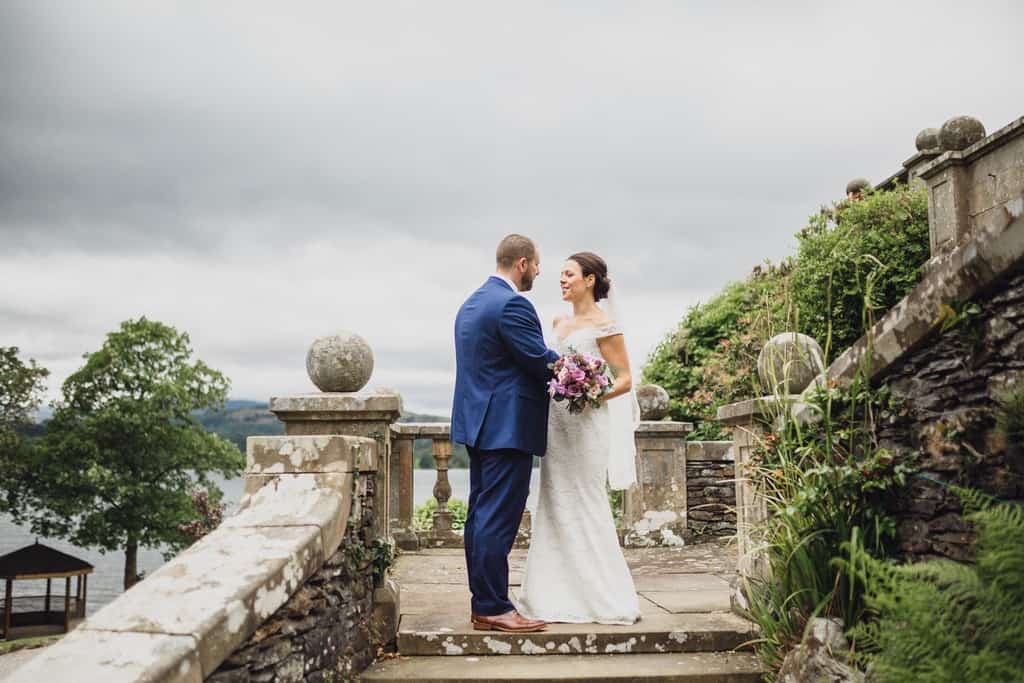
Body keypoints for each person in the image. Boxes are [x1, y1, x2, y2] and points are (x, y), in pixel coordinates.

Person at [515, 251, 641, 624]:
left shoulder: (606, 325)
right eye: (561, 275)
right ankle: (550, 593)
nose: (562, 280)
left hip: (587, 424)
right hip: (556, 424)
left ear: (590, 280)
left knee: (586, 499)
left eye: (569, 274)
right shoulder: (557, 321)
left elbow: (624, 379)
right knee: (553, 501)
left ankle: (603, 595)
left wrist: (590, 393)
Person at [451, 233, 559, 633]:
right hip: (507, 428)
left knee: (480, 517)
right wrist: (578, 369)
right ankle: (494, 605)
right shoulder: (513, 303)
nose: (538, 272)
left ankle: (484, 603)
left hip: (479, 425)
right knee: (497, 519)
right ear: (522, 263)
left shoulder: (472, 303)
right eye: (536, 265)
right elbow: (537, 360)